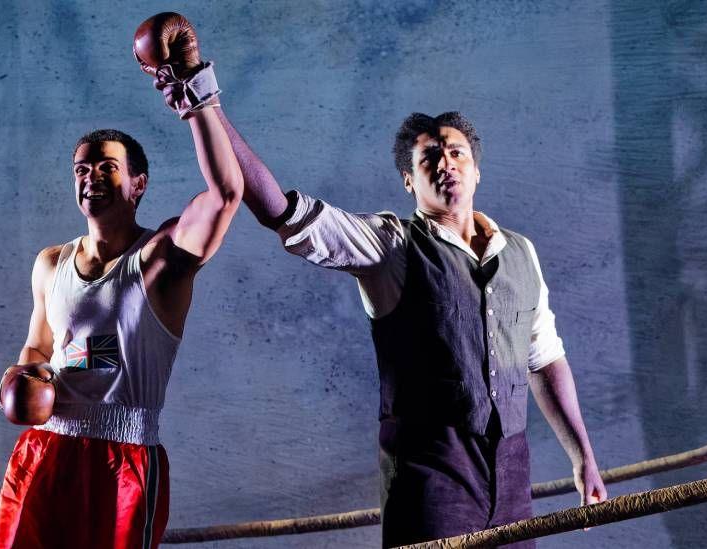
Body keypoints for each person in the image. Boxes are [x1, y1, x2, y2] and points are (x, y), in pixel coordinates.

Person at [216, 106, 607, 546]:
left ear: (477, 171)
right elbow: (281, 211)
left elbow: (545, 360)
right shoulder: (390, 246)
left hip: (511, 474)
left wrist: (583, 458)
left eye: (457, 154)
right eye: (430, 158)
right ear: (409, 180)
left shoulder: (521, 253)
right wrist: (204, 104)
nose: (446, 164)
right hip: (430, 475)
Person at [0, 24, 242, 548]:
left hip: (121, 461)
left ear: (138, 184)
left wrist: (193, 89)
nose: (91, 176)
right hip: (44, 451)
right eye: (82, 168)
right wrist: (26, 376)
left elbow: (225, 193)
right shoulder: (50, 263)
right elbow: (43, 345)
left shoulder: (160, 260)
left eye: (107, 166)